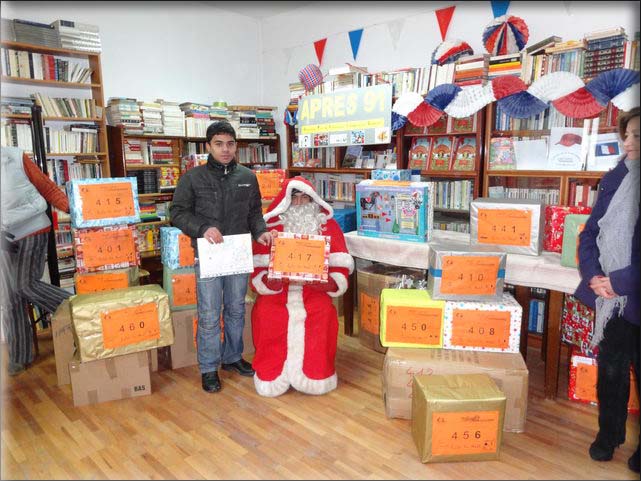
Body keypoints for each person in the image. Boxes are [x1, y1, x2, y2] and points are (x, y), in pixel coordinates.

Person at [169, 121, 272, 393]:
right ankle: (208, 368)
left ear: (236, 146)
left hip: (238, 254)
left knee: (237, 309)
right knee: (210, 313)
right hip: (209, 254)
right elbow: (177, 213)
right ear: (208, 147)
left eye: (230, 144)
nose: (225, 150)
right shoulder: (192, 178)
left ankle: (232, 357)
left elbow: (254, 214)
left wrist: (260, 232)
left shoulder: (247, 177)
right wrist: (203, 229)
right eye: (218, 144)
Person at [575, 107, 640, 473]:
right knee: (611, 371)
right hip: (611, 300)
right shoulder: (614, 178)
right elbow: (589, 235)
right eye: (626, 135)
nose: (629, 142)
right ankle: (608, 434)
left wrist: (618, 281)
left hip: (630, 291)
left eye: (638, 136)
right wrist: (595, 276)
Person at [249, 176, 354, 397]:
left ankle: (317, 374)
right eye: (294, 198)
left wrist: (321, 282)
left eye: (304, 197)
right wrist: (274, 280)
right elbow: (258, 272)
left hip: (314, 292)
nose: (299, 203)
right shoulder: (270, 228)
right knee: (267, 314)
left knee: (322, 313)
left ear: (313, 199)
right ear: (285, 200)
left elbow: (340, 269)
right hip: (278, 293)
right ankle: (273, 374)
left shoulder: (328, 226)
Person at [0, 146, 71, 376]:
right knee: (10, 297)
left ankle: (73, 305)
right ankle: (20, 356)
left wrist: (75, 209)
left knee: (25, 284)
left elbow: (46, 187)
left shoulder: (15, 157)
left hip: (33, 229)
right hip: (4, 239)